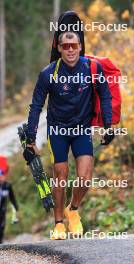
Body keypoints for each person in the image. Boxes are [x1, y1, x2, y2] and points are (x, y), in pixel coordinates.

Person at [26, 31, 112, 240]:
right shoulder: (49, 73)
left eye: (74, 46)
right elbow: (36, 105)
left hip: (82, 129)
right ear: (59, 49)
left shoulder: (92, 68)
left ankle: (72, 209)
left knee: (84, 177)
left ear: (81, 47)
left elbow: (105, 94)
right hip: (58, 130)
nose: (70, 50)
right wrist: (30, 138)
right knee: (61, 175)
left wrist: (108, 126)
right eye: (66, 46)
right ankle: (58, 225)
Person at [0, 156, 19, 244]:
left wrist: (16, 208)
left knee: (2, 227)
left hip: (2, 210)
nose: (3, 176)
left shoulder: (7, 186)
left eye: (4, 174)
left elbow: (12, 198)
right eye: (1, 174)